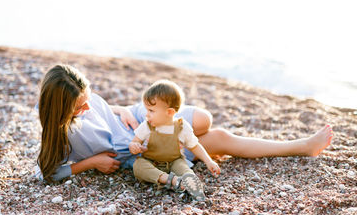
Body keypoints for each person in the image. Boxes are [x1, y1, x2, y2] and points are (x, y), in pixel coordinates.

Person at [36, 64, 334, 183]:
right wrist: (93, 163)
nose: (87, 106)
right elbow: (48, 173)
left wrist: (116, 109)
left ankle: (197, 149)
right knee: (218, 137)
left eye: (88, 97)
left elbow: (96, 107)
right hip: (138, 147)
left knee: (203, 120)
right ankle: (302, 147)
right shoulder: (60, 133)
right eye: (79, 106)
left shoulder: (78, 98)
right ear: (60, 110)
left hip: (135, 116)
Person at [129, 80, 221, 201]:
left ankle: (192, 183)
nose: (147, 115)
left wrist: (208, 161)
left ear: (170, 112)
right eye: (147, 110)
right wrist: (134, 147)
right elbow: (134, 142)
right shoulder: (147, 126)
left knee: (183, 168)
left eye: (151, 111)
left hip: (174, 161)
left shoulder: (182, 127)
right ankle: (171, 180)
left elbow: (194, 146)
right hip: (151, 162)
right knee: (138, 166)